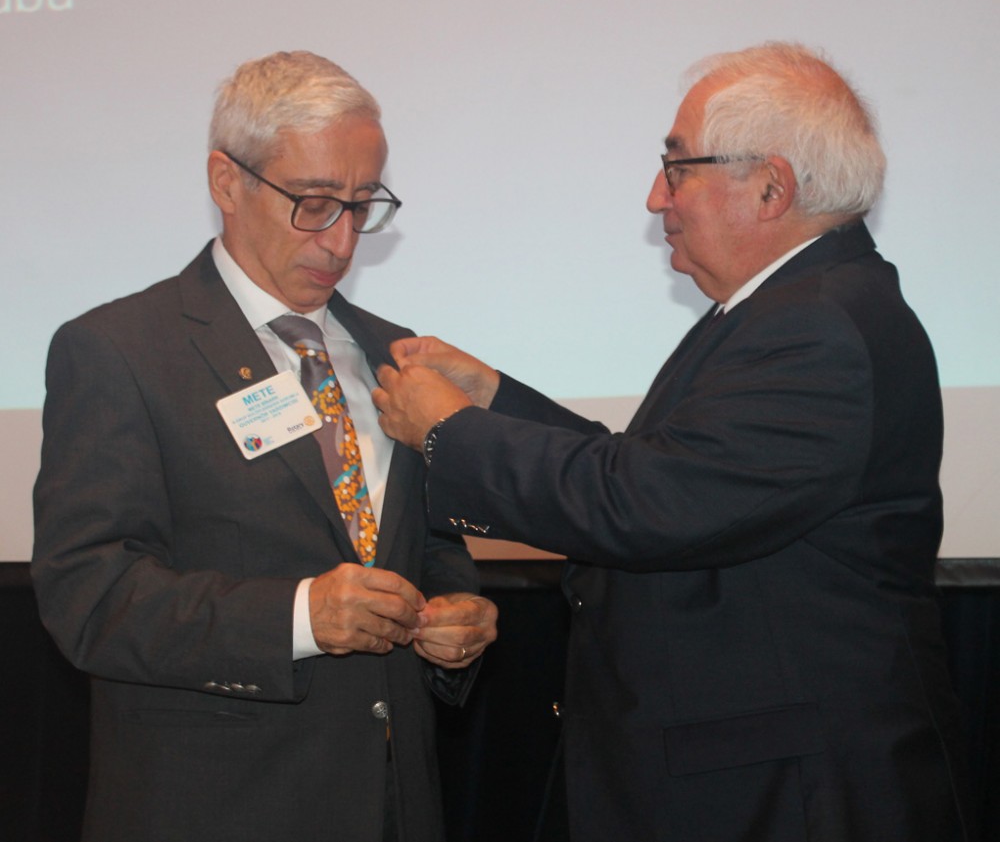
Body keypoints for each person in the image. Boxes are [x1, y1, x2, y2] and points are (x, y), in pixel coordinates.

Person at [374, 43, 975, 841]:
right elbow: (663, 471)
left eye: (677, 166)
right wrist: (490, 396)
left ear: (771, 187)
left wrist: (451, 431)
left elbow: (644, 502)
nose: (657, 196)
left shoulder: (816, 326)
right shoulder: (793, 307)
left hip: (787, 796)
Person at [32, 50, 497, 842]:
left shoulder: (394, 354)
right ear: (226, 181)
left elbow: (427, 550)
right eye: (314, 203)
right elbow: (89, 595)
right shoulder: (120, 350)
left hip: (393, 804)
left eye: (362, 205)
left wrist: (456, 621)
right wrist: (299, 616)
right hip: (217, 808)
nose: (342, 240)